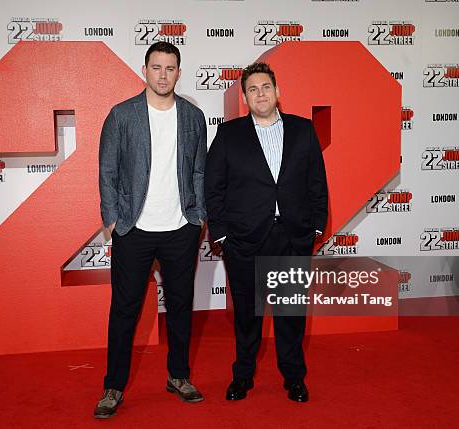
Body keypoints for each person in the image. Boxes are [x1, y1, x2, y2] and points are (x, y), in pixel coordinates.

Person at [95, 41, 207, 419]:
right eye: (156, 67)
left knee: (179, 308)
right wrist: (112, 221)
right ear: (144, 70)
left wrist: (198, 217)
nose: (163, 74)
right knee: (124, 310)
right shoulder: (121, 115)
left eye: (170, 68)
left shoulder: (193, 117)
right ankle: (113, 385)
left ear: (179, 72)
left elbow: (199, 171)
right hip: (133, 228)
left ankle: (178, 376)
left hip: (180, 228)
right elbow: (107, 170)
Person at [204, 62, 328, 403]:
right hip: (244, 240)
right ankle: (242, 376)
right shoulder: (229, 135)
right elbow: (213, 188)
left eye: (266, 87)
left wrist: (316, 224)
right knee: (247, 315)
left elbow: (317, 181)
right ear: (245, 98)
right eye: (253, 89)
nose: (261, 94)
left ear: (278, 92)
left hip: (291, 237)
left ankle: (294, 378)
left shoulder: (304, 131)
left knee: (290, 313)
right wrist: (223, 234)